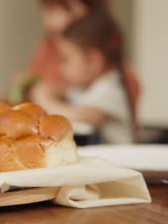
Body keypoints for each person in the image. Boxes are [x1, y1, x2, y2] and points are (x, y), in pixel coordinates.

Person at [30, 11, 134, 143]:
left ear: (93, 61)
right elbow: (67, 93)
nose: (61, 69)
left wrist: (43, 97)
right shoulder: (86, 87)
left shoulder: (111, 90)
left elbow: (75, 118)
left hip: (120, 161)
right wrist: (56, 90)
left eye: (66, 60)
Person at [16, 0, 108, 96]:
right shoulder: (48, 45)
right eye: (49, 10)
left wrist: (60, 92)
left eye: (66, 9)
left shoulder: (109, 61)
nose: (53, 22)